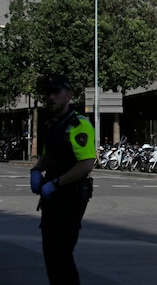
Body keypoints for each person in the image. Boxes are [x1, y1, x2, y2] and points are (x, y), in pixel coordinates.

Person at [30, 74, 95, 285]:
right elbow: (48, 155)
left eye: (56, 92)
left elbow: (86, 164)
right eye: (48, 93)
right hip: (51, 197)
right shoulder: (50, 124)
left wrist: (57, 183)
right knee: (50, 255)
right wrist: (36, 170)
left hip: (70, 197)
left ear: (68, 96)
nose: (51, 97)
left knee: (62, 254)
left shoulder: (78, 125)